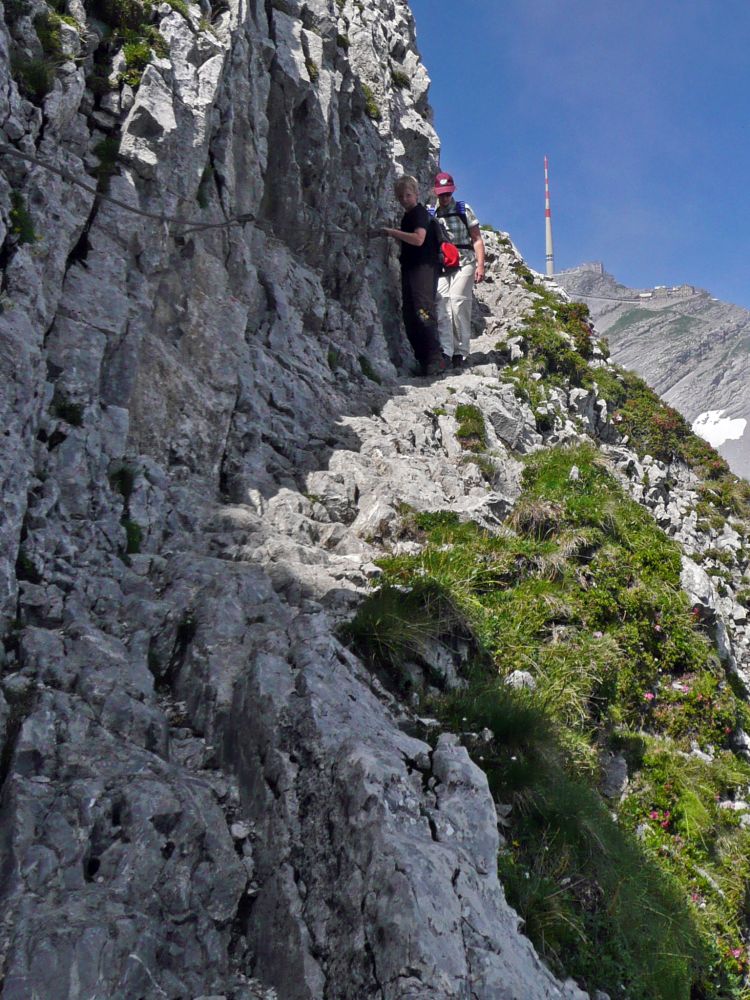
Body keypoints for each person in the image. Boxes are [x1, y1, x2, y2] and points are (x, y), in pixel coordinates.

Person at [379, 175, 445, 376]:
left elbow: (418, 239)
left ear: (416, 194)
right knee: (410, 314)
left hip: (423, 268)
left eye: (408, 195)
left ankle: (435, 358)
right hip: (412, 268)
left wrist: (390, 232)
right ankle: (424, 360)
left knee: (423, 310)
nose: (404, 199)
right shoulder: (409, 216)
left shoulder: (418, 213)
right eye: (400, 196)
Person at [433, 171, 486, 369]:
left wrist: (480, 265)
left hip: (465, 261)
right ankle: (446, 351)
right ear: (436, 193)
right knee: (442, 302)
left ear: (452, 191)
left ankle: (460, 352)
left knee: (458, 302)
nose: (444, 198)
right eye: (441, 194)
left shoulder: (464, 209)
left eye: (447, 194)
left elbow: (477, 239)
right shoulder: (433, 213)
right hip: (444, 264)